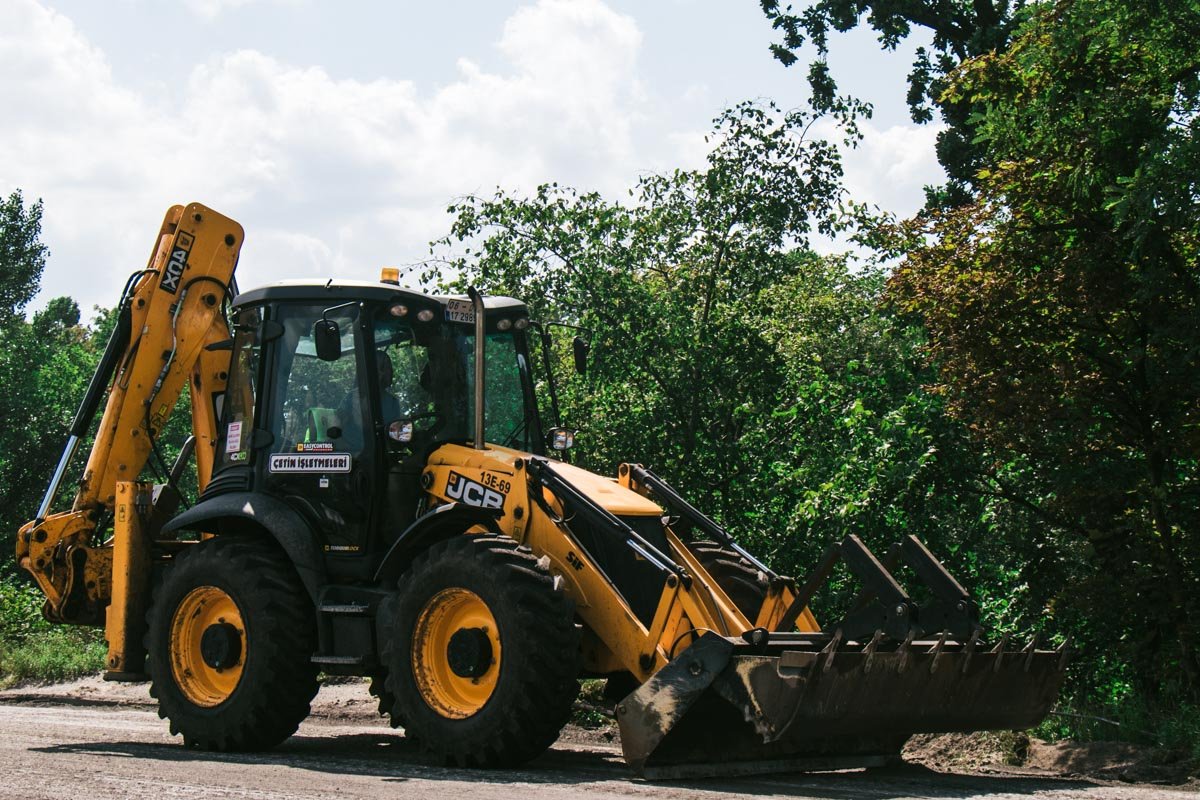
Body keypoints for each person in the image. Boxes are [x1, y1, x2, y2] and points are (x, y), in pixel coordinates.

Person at [334, 350, 401, 451]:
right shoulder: (352, 397)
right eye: (379, 368)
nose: (384, 373)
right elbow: (337, 426)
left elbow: (395, 437)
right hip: (351, 452)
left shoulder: (393, 402)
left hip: (378, 452)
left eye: (386, 368)